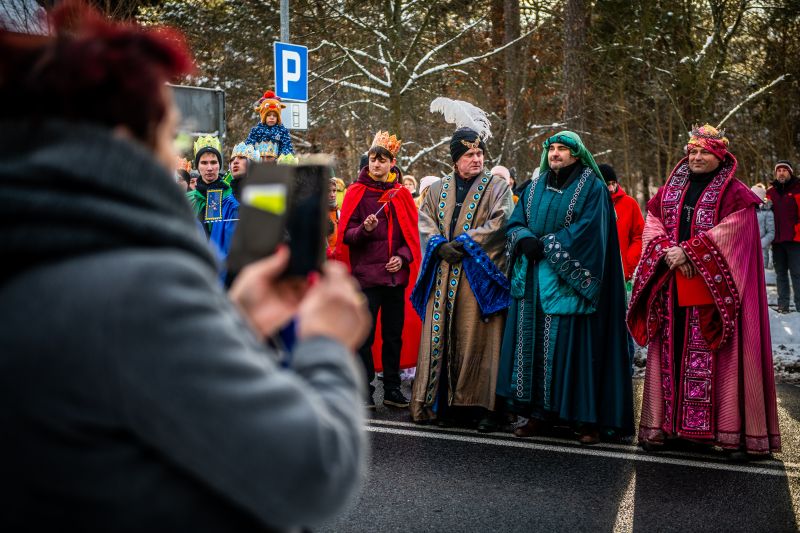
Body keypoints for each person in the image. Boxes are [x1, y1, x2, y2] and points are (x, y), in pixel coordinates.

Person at [0, 4, 371, 531]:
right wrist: (327, 344)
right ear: (128, 138)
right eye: (169, 134)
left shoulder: (39, 256)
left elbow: (128, 397)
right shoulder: (135, 285)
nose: (173, 155)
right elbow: (312, 473)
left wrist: (236, 323)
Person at [627, 124, 780, 457]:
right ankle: (668, 428)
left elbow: (735, 234)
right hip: (672, 288)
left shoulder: (736, 194)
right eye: (692, 151)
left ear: (719, 156)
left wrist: (691, 251)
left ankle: (727, 433)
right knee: (671, 349)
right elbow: (653, 223)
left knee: (720, 357)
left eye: (704, 152)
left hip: (715, 294)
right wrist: (668, 250)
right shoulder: (668, 191)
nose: (696, 157)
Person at [497, 132, 634, 444]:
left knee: (573, 351)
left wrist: (547, 245)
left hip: (570, 283)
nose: (556, 154)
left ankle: (584, 419)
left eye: (563, 149)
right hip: (533, 283)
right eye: (552, 149)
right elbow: (515, 223)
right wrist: (523, 239)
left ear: (577, 154)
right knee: (532, 349)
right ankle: (538, 415)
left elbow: (590, 232)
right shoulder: (534, 187)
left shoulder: (592, 187)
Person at [410, 126, 514, 431]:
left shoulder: (498, 187)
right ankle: (442, 405)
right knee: (441, 337)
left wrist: (467, 242)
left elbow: (503, 221)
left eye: (480, 153)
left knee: (478, 339)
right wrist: (439, 244)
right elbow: (425, 220)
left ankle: (482, 408)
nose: (477, 159)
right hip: (443, 273)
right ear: (456, 159)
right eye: (469, 154)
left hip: (477, 276)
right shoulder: (436, 189)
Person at [335, 131, 422, 409]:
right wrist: (365, 229)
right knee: (366, 334)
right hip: (366, 278)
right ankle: (365, 388)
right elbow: (346, 236)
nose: (376, 165)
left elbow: (411, 239)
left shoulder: (402, 195)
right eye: (373, 160)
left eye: (382, 161)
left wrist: (402, 257)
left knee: (393, 335)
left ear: (392, 163)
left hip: (395, 278)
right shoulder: (356, 192)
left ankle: (393, 388)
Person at [186, 135, 239, 264]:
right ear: (197, 166)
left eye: (213, 162)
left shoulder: (232, 196)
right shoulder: (187, 200)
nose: (209, 168)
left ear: (219, 165)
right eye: (204, 163)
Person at [600, 163, 644, 286]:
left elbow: (639, 236)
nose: (611, 188)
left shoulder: (630, 203)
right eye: (607, 184)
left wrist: (628, 263)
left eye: (613, 183)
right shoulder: (591, 206)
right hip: (597, 276)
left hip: (623, 275)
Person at [766, 160, 800, 313]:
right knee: (780, 274)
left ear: (790, 172)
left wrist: (797, 230)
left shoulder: (798, 188)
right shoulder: (770, 192)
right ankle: (783, 305)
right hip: (777, 241)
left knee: (797, 273)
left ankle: (799, 306)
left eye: (784, 170)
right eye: (778, 170)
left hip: (795, 241)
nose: (781, 173)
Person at [244, 90, 294, 156]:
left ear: (278, 117)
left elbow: (287, 146)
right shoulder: (256, 131)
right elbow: (249, 146)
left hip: (276, 163)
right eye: (268, 115)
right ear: (263, 116)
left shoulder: (283, 131)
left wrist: (283, 157)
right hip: (259, 163)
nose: (272, 117)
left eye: (275, 115)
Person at [751, 183, 775, 269]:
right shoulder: (746, 211)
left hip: (761, 252)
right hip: (747, 251)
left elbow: (771, 233)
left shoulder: (768, 212)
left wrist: (759, 244)